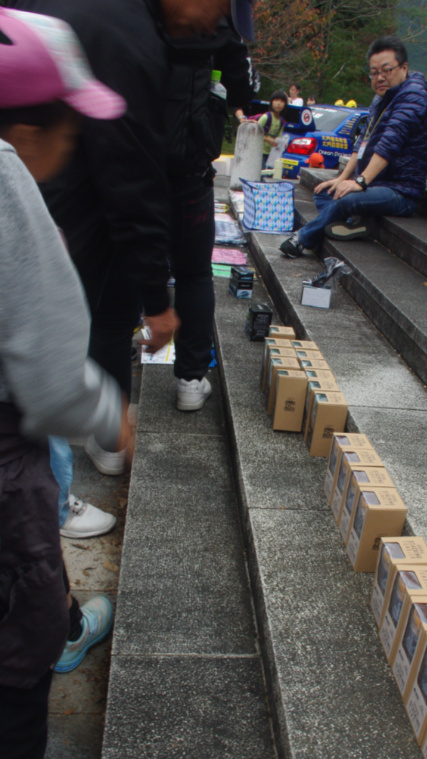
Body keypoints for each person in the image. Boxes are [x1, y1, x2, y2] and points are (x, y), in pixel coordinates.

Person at [10, 0, 255, 466]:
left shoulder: (127, 22)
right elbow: (128, 175)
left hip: (79, 210)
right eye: (221, 12)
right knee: (108, 313)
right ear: (26, 136)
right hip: (96, 206)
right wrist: (157, 306)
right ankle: (75, 471)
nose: (217, 27)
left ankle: (79, 464)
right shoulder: (128, 38)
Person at [0, 9, 132, 759]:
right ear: (22, 130)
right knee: (17, 678)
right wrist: (111, 416)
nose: (70, 148)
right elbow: (49, 374)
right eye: (67, 131)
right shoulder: (5, 179)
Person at [280, 35, 427, 257]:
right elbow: (363, 142)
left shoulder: (414, 96)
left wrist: (361, 181)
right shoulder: (381, 99)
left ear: (404, 68)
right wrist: (342, 178)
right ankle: (352, 223)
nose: (380, 78)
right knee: (325, 192)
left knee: (348, 200)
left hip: (401, 191)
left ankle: (302, 239)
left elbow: (391, 142)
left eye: (386, 70)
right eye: (374, 72)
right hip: (377, 184)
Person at [257, 89, 288, 168]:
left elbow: (278, 138)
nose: (279, 103)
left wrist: (282, 143)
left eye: (282, 101)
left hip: (271, 155)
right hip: (259, 152)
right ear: (271, 102)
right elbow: (254, 134)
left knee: (268, 174)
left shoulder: (281, 121)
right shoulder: (266, 117)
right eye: (276, 100)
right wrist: (268, 139)